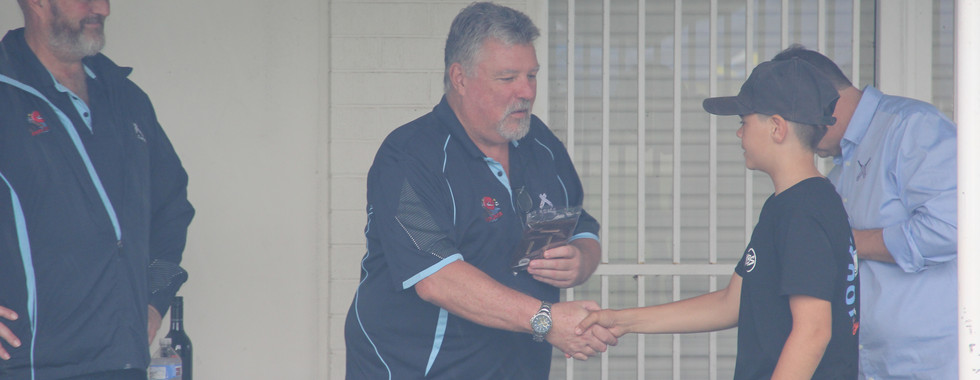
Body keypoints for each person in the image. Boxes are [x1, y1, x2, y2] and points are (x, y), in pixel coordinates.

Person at [344, 2, 615, 379]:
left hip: (517, 365)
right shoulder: (409, 157)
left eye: (531, 76)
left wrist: (582, 258)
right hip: (422, 368)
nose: (526, 92)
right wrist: (547, 320)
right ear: (460, 77)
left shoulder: (539, 142)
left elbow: (577, 221)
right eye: (507, 78)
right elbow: (437, 279)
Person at [576, 58, 860, 379]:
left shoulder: (804, 211)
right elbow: (732, 303)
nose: (739, 133)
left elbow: (814, 331)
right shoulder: (789, 205)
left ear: (777, 127)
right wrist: (623, 320)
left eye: (744, 121)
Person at [0, 1, 195, 379]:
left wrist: (155, 299)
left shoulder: (127, 97)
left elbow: (171, 208)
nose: (102, 8)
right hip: (29, 365)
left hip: (122, 361)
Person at [772, 45, 958, 379]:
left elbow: (954, 228)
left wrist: (848, 243)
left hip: (930, 363)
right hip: (872, 365)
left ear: (817, 100)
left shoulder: (910, 128)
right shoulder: (837, 169)